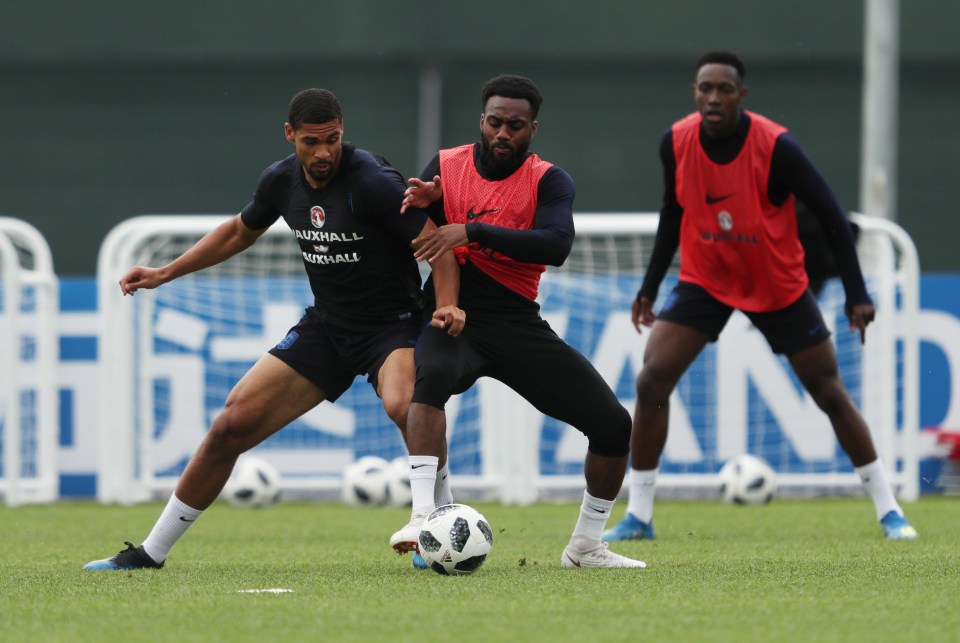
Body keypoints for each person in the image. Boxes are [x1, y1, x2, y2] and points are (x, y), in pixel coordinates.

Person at [84, 88, 464, 571]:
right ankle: (149, 552)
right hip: (328, 327)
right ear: (290, 135)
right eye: (311, 142)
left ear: (342, 132)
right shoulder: (281, 181)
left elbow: (440, 246)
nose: (323, 152)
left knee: (404, 405)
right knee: (230, 425)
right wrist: (164, 272)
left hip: (392, 326)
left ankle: (432, 525)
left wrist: (446, 306)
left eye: (332, 140)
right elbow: (240, 232)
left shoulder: (372, 181)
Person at [602, 50, 918, 543]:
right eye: (705, 88)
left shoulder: (776, 147)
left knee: (828, 390)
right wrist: (649, 287)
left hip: (777, 284)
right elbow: (673, 212)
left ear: (741, 96)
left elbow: (833, 214)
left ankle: (890, 510)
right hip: (705, 278)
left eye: (723, 90)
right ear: (695, 94)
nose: (713, 98)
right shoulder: (677, 142)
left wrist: (856, 292)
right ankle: (639, 515)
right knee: (651, 380)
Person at [392, 74, 646, 568]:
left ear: (533, 130)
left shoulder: (549, 180)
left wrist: (472, 230)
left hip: (515, 321)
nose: (502, 133)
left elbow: (556, 245)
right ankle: (424, 518)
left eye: (515, 125)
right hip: (453, 311)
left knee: (614, 426)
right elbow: (412, 223)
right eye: (494, 122)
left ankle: (586, 546)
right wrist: (418, 205)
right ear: (480, 122)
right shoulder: (446, 166)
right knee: (431, 380)